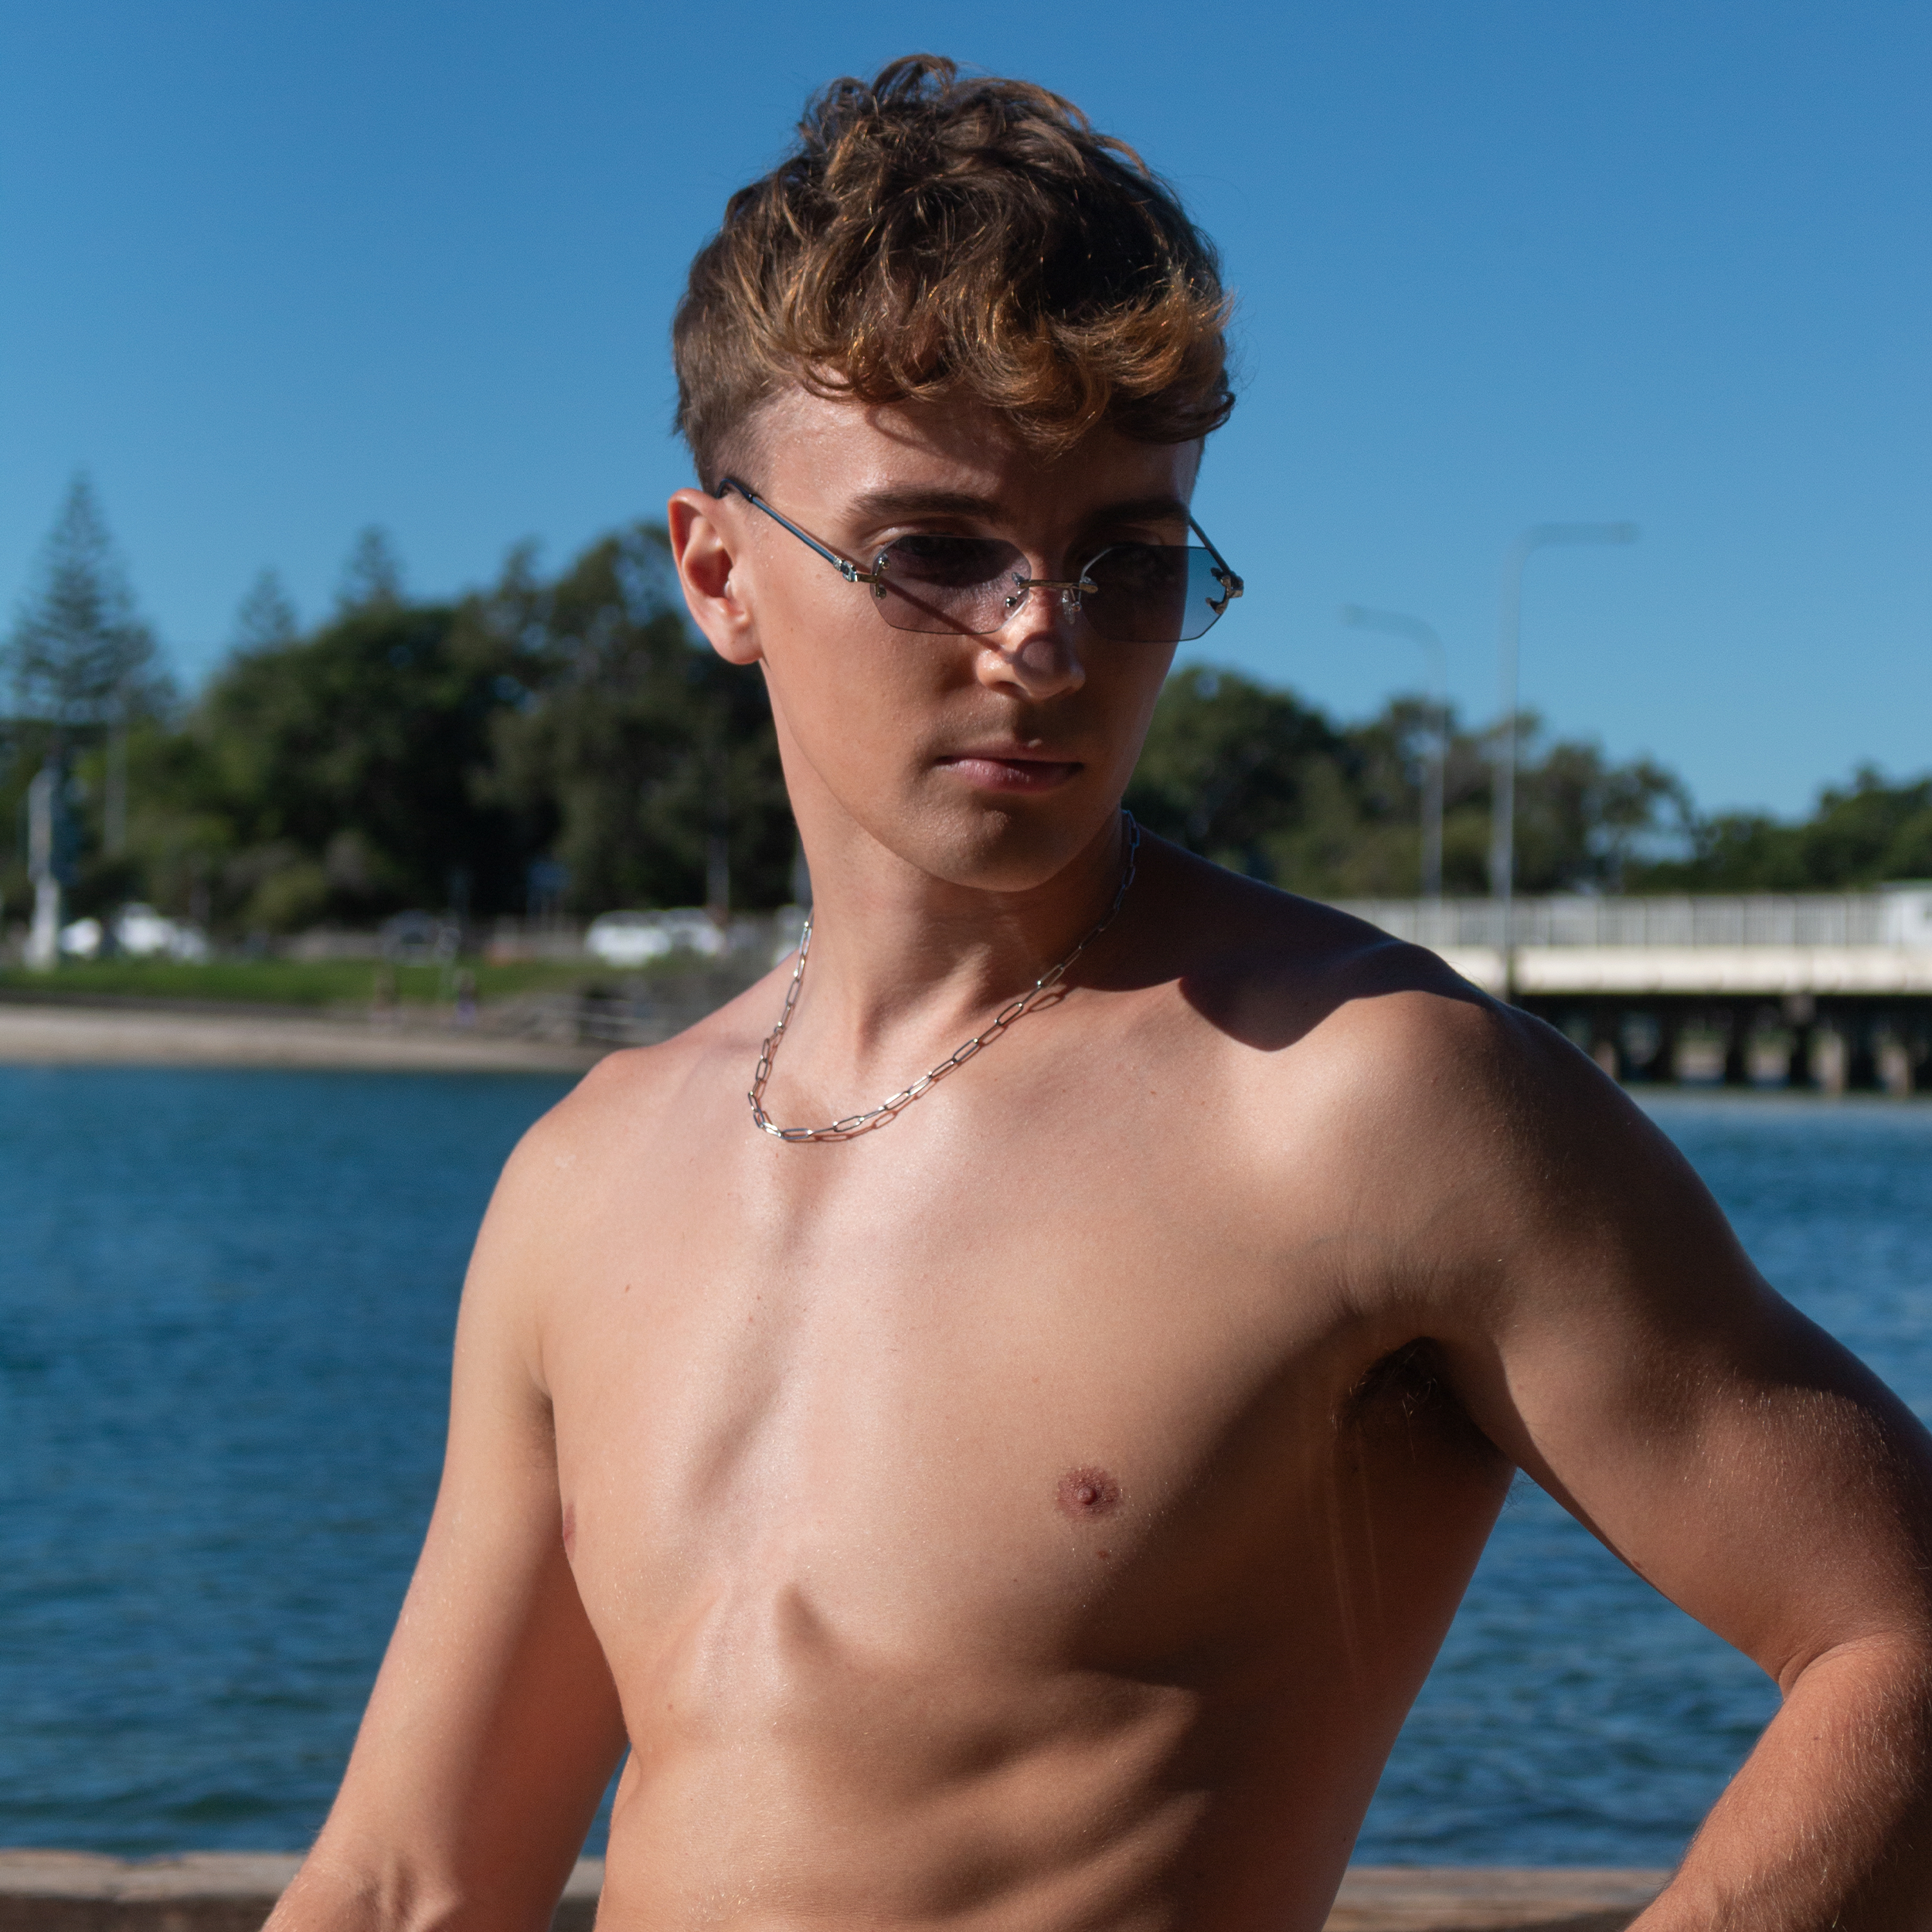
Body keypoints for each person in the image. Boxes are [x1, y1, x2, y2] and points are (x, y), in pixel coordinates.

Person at [269, 56, 1932, 1932]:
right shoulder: (583, 1178)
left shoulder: (1356, 1100)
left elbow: (1898, 1635)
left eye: (1125, 563)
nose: (1039, 639)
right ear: (718, 570)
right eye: (934, 551)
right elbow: (415, 1875)